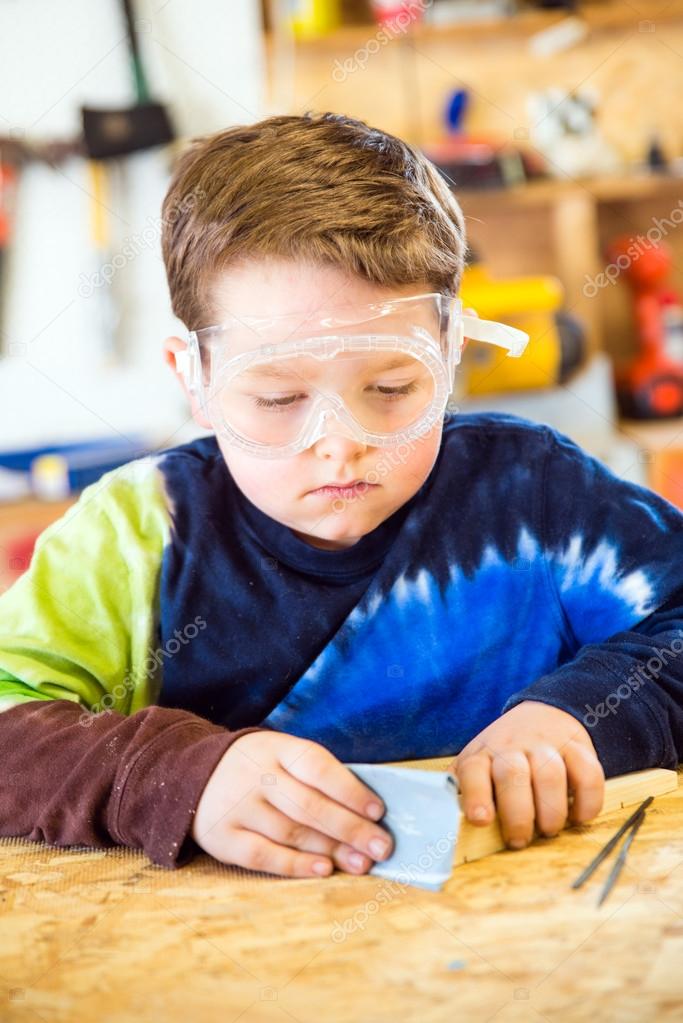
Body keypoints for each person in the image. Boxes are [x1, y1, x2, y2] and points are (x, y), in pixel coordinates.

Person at [1, 112, 682, 882]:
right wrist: (178, 776)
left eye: (391, 388)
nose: (340, 442)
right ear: (193, 378)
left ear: (451, 352)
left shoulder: (537, 496)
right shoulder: (136, 534)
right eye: (278, 397)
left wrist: (585, 712)